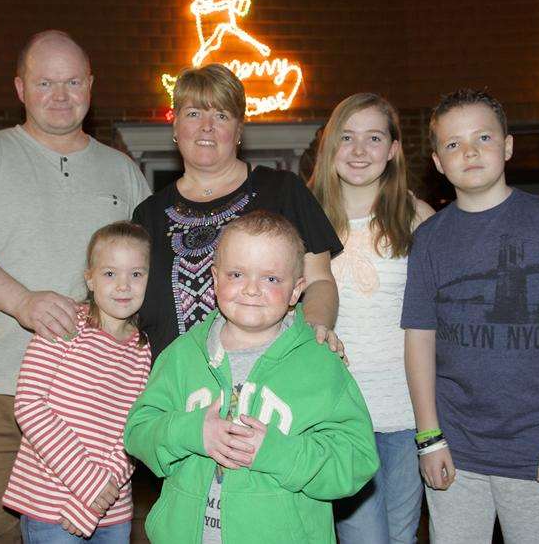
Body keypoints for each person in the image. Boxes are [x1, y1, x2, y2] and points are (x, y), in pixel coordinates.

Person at [0, 30, 151, 543]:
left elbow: (147, 275)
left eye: (72, 81)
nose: (60, 94)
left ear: (90, 85)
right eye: (45, 81)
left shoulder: (123, 170)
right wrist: (22, 303)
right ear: (20, 88)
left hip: (96, 412)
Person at [402, 89, 539, 543]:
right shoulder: (429, 240)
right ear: (438, 162)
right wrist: (429, 437)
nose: (470, 151)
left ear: (508, 146)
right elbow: (419, 339)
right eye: (453, 144)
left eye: (483, 136)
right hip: (456, 452)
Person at [124, 211, 380, 544]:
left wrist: (278, 453)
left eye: (271, 279)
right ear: (215, 279)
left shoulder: (321, 364)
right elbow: (138, 431)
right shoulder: (181, 356)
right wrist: (191, 432)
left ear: (295, 290)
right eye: (236, 274)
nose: (251, 289)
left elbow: (357, 460)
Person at [132, 63, 344, 359]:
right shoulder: (148, 215)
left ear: (239, 130)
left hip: (271, 376)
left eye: (221, 115)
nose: (207, 126)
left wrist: (313, 333)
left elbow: (319, 279)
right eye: (194, 114)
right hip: (175, 389)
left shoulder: (283, 190)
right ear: (176, 127)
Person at [309, 93, 434, 544]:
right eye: (347, 137)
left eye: (374, 138)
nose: (359, 150)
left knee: (401, 536)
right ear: (329, 146)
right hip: (336, 413)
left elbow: (439, 319)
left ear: (394, 149)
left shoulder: (418, 218)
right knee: (365, 537)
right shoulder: (306, 216)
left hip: (406, 409)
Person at [3, 221, 153, 543]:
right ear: (90, 278)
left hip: (112, 510)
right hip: (51, 505)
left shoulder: (143, 350)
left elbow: (135, 429)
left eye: (136, 274)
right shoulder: (65, 324)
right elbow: (29, 406)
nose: (123, 286)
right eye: (110, 273)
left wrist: (97, 498)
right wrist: (90, 486)